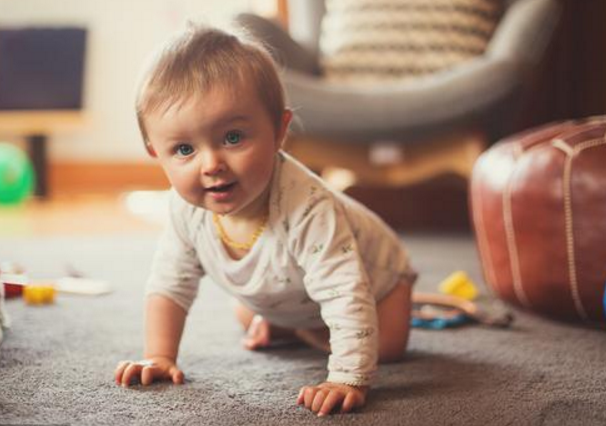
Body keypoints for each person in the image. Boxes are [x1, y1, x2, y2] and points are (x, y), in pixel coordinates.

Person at [114, 22, 417, 417]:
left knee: (387, 346)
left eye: (233, 138)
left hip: (377, 283)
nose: (212, 165)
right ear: (157, 153)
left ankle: (303, 329)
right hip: (290, 289)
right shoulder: (184, 207)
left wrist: (346, 377)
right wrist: (158, 355)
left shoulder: (308, 207)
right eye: (185, 149)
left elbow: (346, 292)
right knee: (247, 308)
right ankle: (297, 326)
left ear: (279, 131)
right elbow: (170, 284)